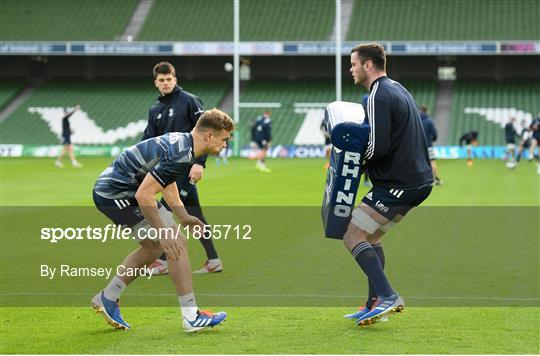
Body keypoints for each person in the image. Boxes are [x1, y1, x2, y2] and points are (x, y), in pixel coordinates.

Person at [91, 109, 233, 332]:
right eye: (224, 139)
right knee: (173, 242)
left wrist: (183, 215)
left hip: (125, 190)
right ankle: (190, 316)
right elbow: (144, 195)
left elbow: (166, 182)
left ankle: (108, 297)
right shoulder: (182, 153)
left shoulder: (184, 145)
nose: (226, 144)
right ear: (209, 136)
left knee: (156, 247)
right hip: (115, 194)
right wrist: (164, 232)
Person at [343, 43, 433, 326]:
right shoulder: (398, 88)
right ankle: (374, 303)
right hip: (416, 181)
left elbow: (377, 147)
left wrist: (353, 161)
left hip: (398, 183)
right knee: (372, 238)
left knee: (352, 234)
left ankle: (387, 295)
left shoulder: (377, 94)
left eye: (353, 64)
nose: (351, 69)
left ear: (368, 65)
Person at [141, 62, 222, 275]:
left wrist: (199, 163)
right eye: (162, 80)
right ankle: (213, 260)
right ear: (156, 83)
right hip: (167, 171)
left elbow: (207, 132)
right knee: (194, 214)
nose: (166, 83)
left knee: (163, 210)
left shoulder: (189, 101)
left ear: (175, 79)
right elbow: (148, 141)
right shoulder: (155, 109)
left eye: (169, 79)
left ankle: (163, 260)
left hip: (186, 168)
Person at [419, 105, 442, 184]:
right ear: (427, 111)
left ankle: (419, 180)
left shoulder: (416, 119)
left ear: (420, 110)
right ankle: (435, 179)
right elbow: (434, 133)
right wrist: (433, 139)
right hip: (428, 145)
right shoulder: (429, 121)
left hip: (417, 146)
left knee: (417, 162)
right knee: (432, 162)